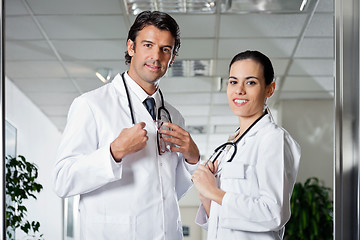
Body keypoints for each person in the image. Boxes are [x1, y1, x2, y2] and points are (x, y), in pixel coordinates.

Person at [53, 11, 200, 240]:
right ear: (131, 47)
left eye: (165, 49)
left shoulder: (174, 116)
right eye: (148, 45)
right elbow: (63, 180)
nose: (156, 56)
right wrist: (114, 152)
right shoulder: (91, 105)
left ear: (172, 58)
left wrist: (192, 160)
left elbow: (169, 192)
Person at [191, 50, 301, 240]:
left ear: (270, 89)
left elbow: (274, 214)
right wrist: (206, 197)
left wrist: (214, 192)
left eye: (250, 82)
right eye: (233, 81)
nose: (239, 89)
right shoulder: (230, 146)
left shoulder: (272, 139)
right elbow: (225, 225)